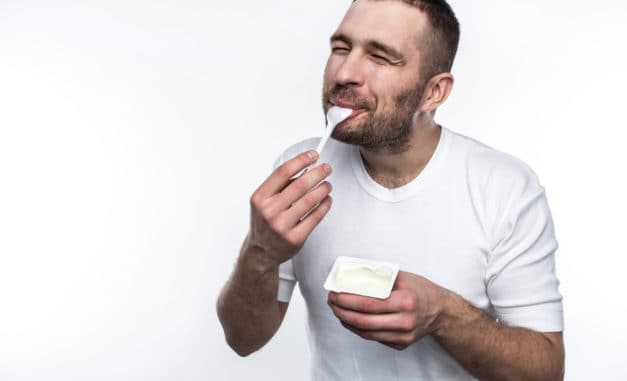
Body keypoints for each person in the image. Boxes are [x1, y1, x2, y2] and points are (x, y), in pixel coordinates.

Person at [217, 0, 565, 380]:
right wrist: (261, 251)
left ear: (434, 92)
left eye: (380, 57)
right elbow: (242, 339)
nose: (345, 72)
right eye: (341, 47)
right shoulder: (302, 171)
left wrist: (442, 314)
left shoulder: (505, 188)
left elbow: (545, 372)